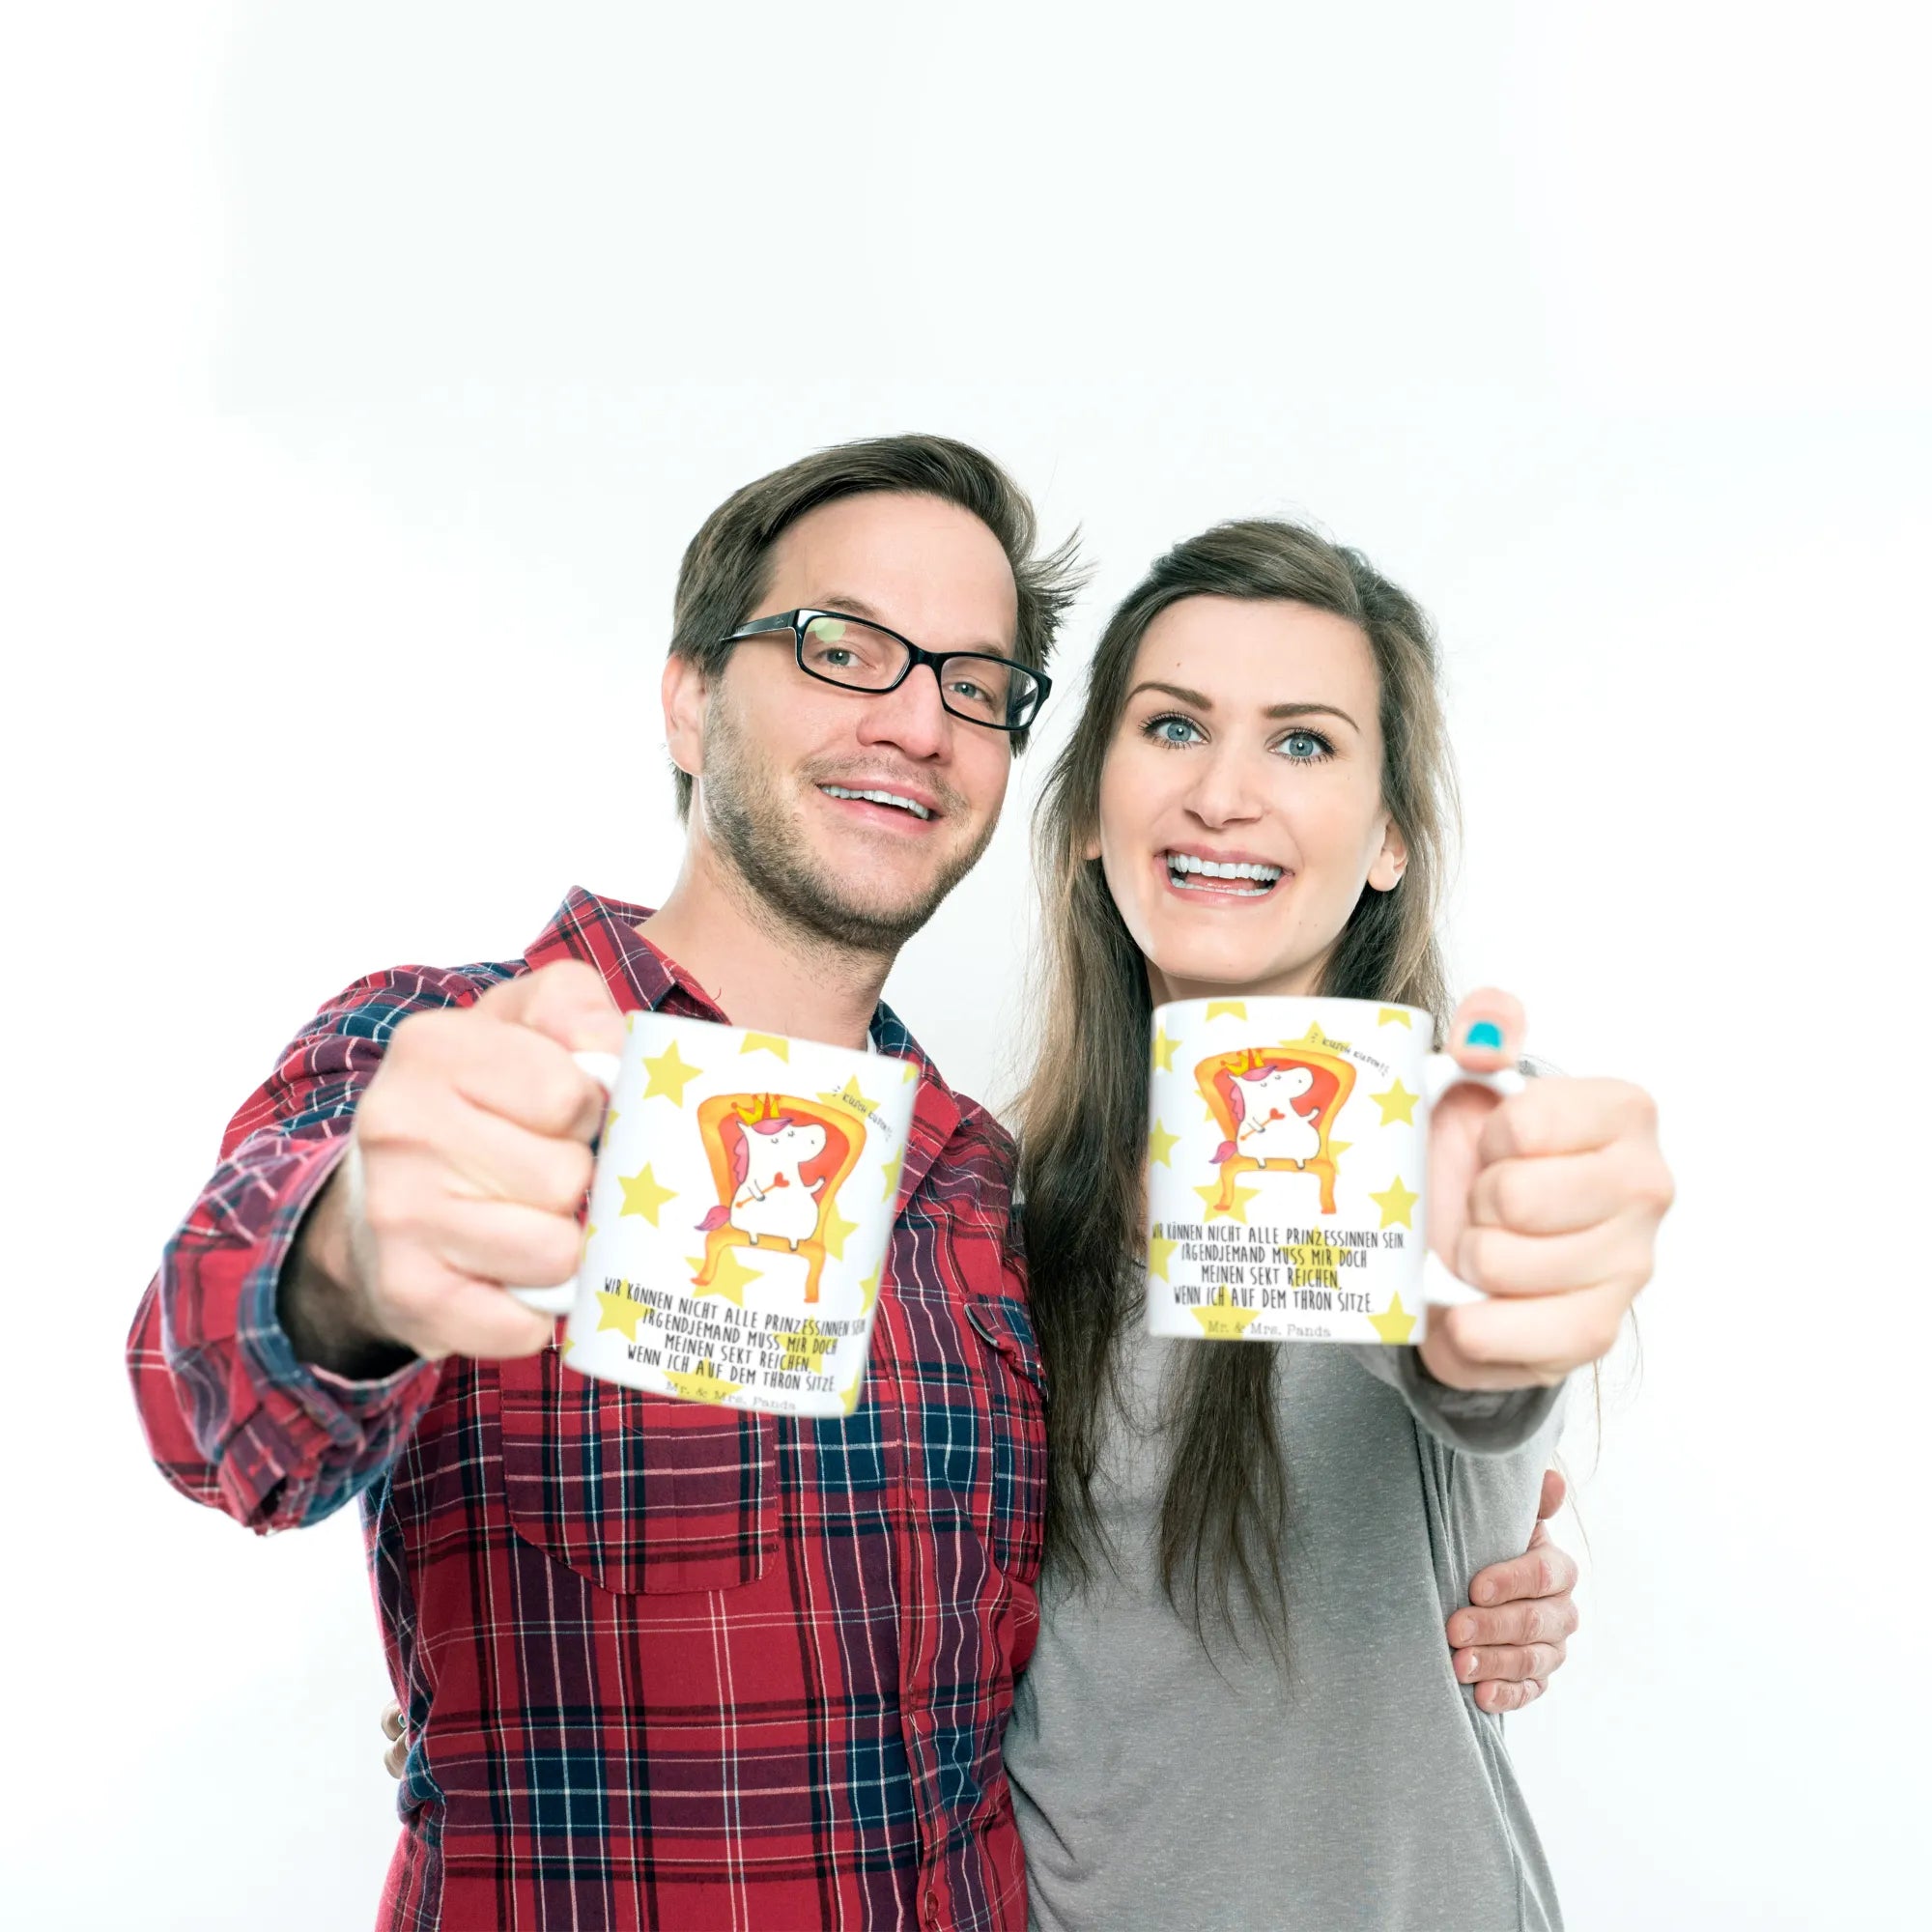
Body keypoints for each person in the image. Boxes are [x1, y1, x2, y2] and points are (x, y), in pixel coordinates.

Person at [129, 436, 1585, 1931]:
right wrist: (350, 1265)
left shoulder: (981, 1193)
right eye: (844, 648)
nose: (915, 721)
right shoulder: (456, 1057)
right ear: (690, 696)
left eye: (973, 683)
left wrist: (1484, 1517)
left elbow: (1401, 1403)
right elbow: (206, 1391)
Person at [1005, 521, 1673, 1928]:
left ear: (1388, 841)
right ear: (1087, 813)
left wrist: (1506, 1301)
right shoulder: (999, 1208)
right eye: (1173, 726)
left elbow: (1475, 1362)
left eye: (1302, 742)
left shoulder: (1444, 1143)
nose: (1224, 794)